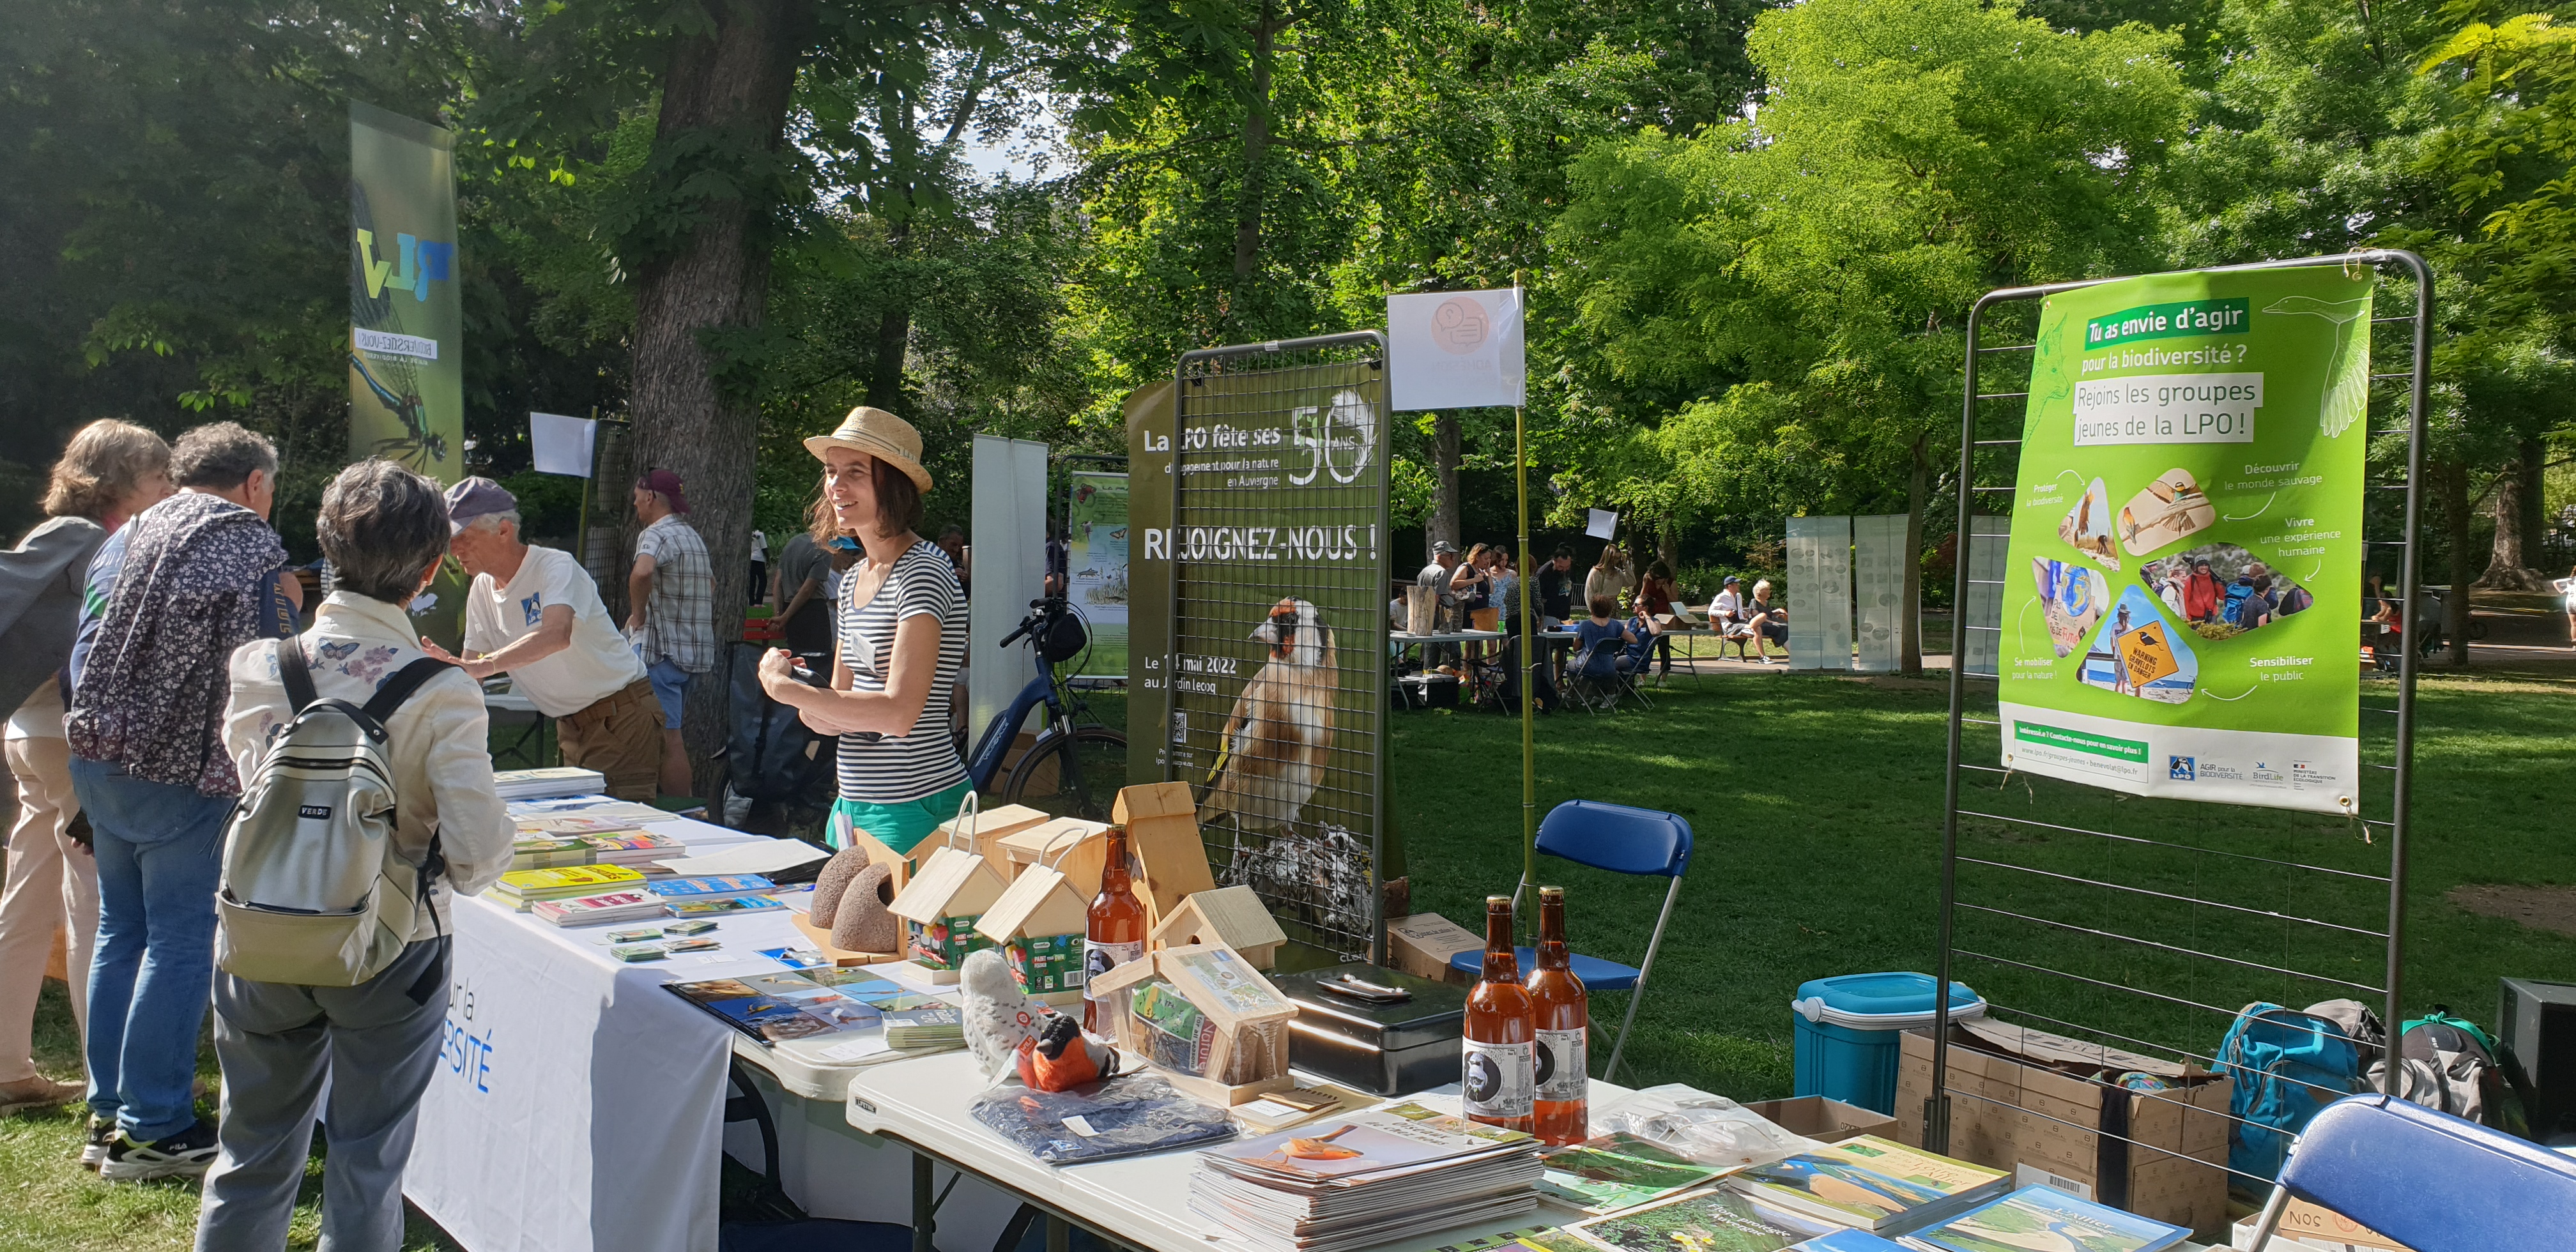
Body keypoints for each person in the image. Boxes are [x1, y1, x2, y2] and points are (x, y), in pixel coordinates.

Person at [197, 458, 510, 1251]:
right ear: (432, 566)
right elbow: (476, 860)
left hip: (261, 932)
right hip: (393, 947)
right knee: (368, 1166)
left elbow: (259, 791)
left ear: (326, 546)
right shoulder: (444, 691)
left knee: (250, 1154)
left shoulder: (259, 667)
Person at [65, 422, 288, 1180]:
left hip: (98, 757)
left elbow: (84, 647)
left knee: (120, 930)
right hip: (180, 769)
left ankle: (110, 1110)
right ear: (255, 483)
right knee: (181, 939)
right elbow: (269, 667)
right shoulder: (246, 540)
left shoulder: (122, 535)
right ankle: (155, 1124)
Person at [0, 420, 171, 1116]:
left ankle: (9, 1067)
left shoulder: (71, 539)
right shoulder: (93, 540)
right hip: (69, 739)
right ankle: (119, 1084)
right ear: (118, 483)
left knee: (27, 896)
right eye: (158, 478)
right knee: (92, 903)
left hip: (30, 733)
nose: (167, 490)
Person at [756, 406, 972, 857]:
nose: (836, 485)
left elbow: (899, 713)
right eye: (832, 472)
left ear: (894, 484)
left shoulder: (923, 571)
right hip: (853, 807)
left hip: (914, 807)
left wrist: (782, 690)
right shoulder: (854, 578)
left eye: (855, 472)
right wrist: (801, 688)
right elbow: (835, 713)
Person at [422, 478, 661, 802]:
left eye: (462, 537)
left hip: (620, 716)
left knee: (624, 833)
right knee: (588, 834)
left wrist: (482, 666)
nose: (453, 550)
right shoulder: (481, 589)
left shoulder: (555, 566)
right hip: (572, 726)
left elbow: (556, 634)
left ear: (504, 531)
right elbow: (470, 675)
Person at [626, 468, 714, 798]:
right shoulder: (691, 536)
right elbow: (711, 584)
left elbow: (643, 571)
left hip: (661, 656)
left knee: (668, 740)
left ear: (650, 497)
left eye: (637, 500)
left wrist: (638, 615)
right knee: (669, 737)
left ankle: (683, 811)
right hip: (692, 657)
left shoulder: (655, 534)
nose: (636, 506)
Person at [771, 524, 838, 665]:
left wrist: (780, 614)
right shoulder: (824, 549)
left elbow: (778, 582)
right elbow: (807, 589)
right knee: (819, 661)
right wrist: (785, 616)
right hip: (812, 612)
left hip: (790, 609)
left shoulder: (792, 543)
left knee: (796, 659)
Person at [1536, 546, 1577, 682]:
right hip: (1548, 615)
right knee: (1549, 648)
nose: (1564, 570)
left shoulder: (1569, 570)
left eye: (1567, 566)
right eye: (1561, 567)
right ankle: (1547, 681)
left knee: (1563, 648)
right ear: (1554, 561)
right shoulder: (1544, 573)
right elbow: (1536, 597)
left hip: (1565, 616)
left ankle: (1559, 681)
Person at [1634, 561, 1680, 676]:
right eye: (1654, 579)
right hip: (1648, 615)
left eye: (1659, 579)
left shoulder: (1672, 583)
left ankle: (1664, 676)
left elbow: (1675, 602)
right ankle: (1642, 676)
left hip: (1664, 617)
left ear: (1665, 577)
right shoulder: (1648, 578)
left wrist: (1667, 592)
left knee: (1663, 648)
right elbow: (1642, 595)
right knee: (1644, 646)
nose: (1656, 581)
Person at [1745, 578, 1787, 661]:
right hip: (1761, 626)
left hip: (1769, 625)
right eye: (1767, 590)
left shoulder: (1766, 603)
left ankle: (1792, 653)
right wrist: (1771, 622)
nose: (1769, 592)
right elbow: (1756, 616)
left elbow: (1769, 614)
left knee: (1786, 627)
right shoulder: (1754, 601)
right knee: (1784, 628)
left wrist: (1777, 611)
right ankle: (1787, 648)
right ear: (1760, 592)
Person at [1584, 544, 1634, 613]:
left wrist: (1625, 564)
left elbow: (1632, 582)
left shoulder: (1618, 573)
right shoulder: (1596, 572)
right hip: (1600, 607)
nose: (1617, 561)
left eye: (1619, 558)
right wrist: (1593, 611)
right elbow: (1589, 593)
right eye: (1614, 558)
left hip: (1614, 608)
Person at [2182, 558, 2221, 623]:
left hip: (2211, 616)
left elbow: (2222, 597)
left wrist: (2221, 585)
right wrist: (2188, 616)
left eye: (2206, 565)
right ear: (2197, 567)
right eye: (2201, 565)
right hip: (2196, 618)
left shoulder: (2213, 579)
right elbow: (2185, 599)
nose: (2204, 567)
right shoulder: (2190, 580)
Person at [748, 526, 769, 606]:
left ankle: (751, 601)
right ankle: (759, 601)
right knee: (763, 580)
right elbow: (764, 548)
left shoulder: (750, 534)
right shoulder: (760, 534)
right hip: (759, 559)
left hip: (751, 558)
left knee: (752, 581)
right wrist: (768, 560)